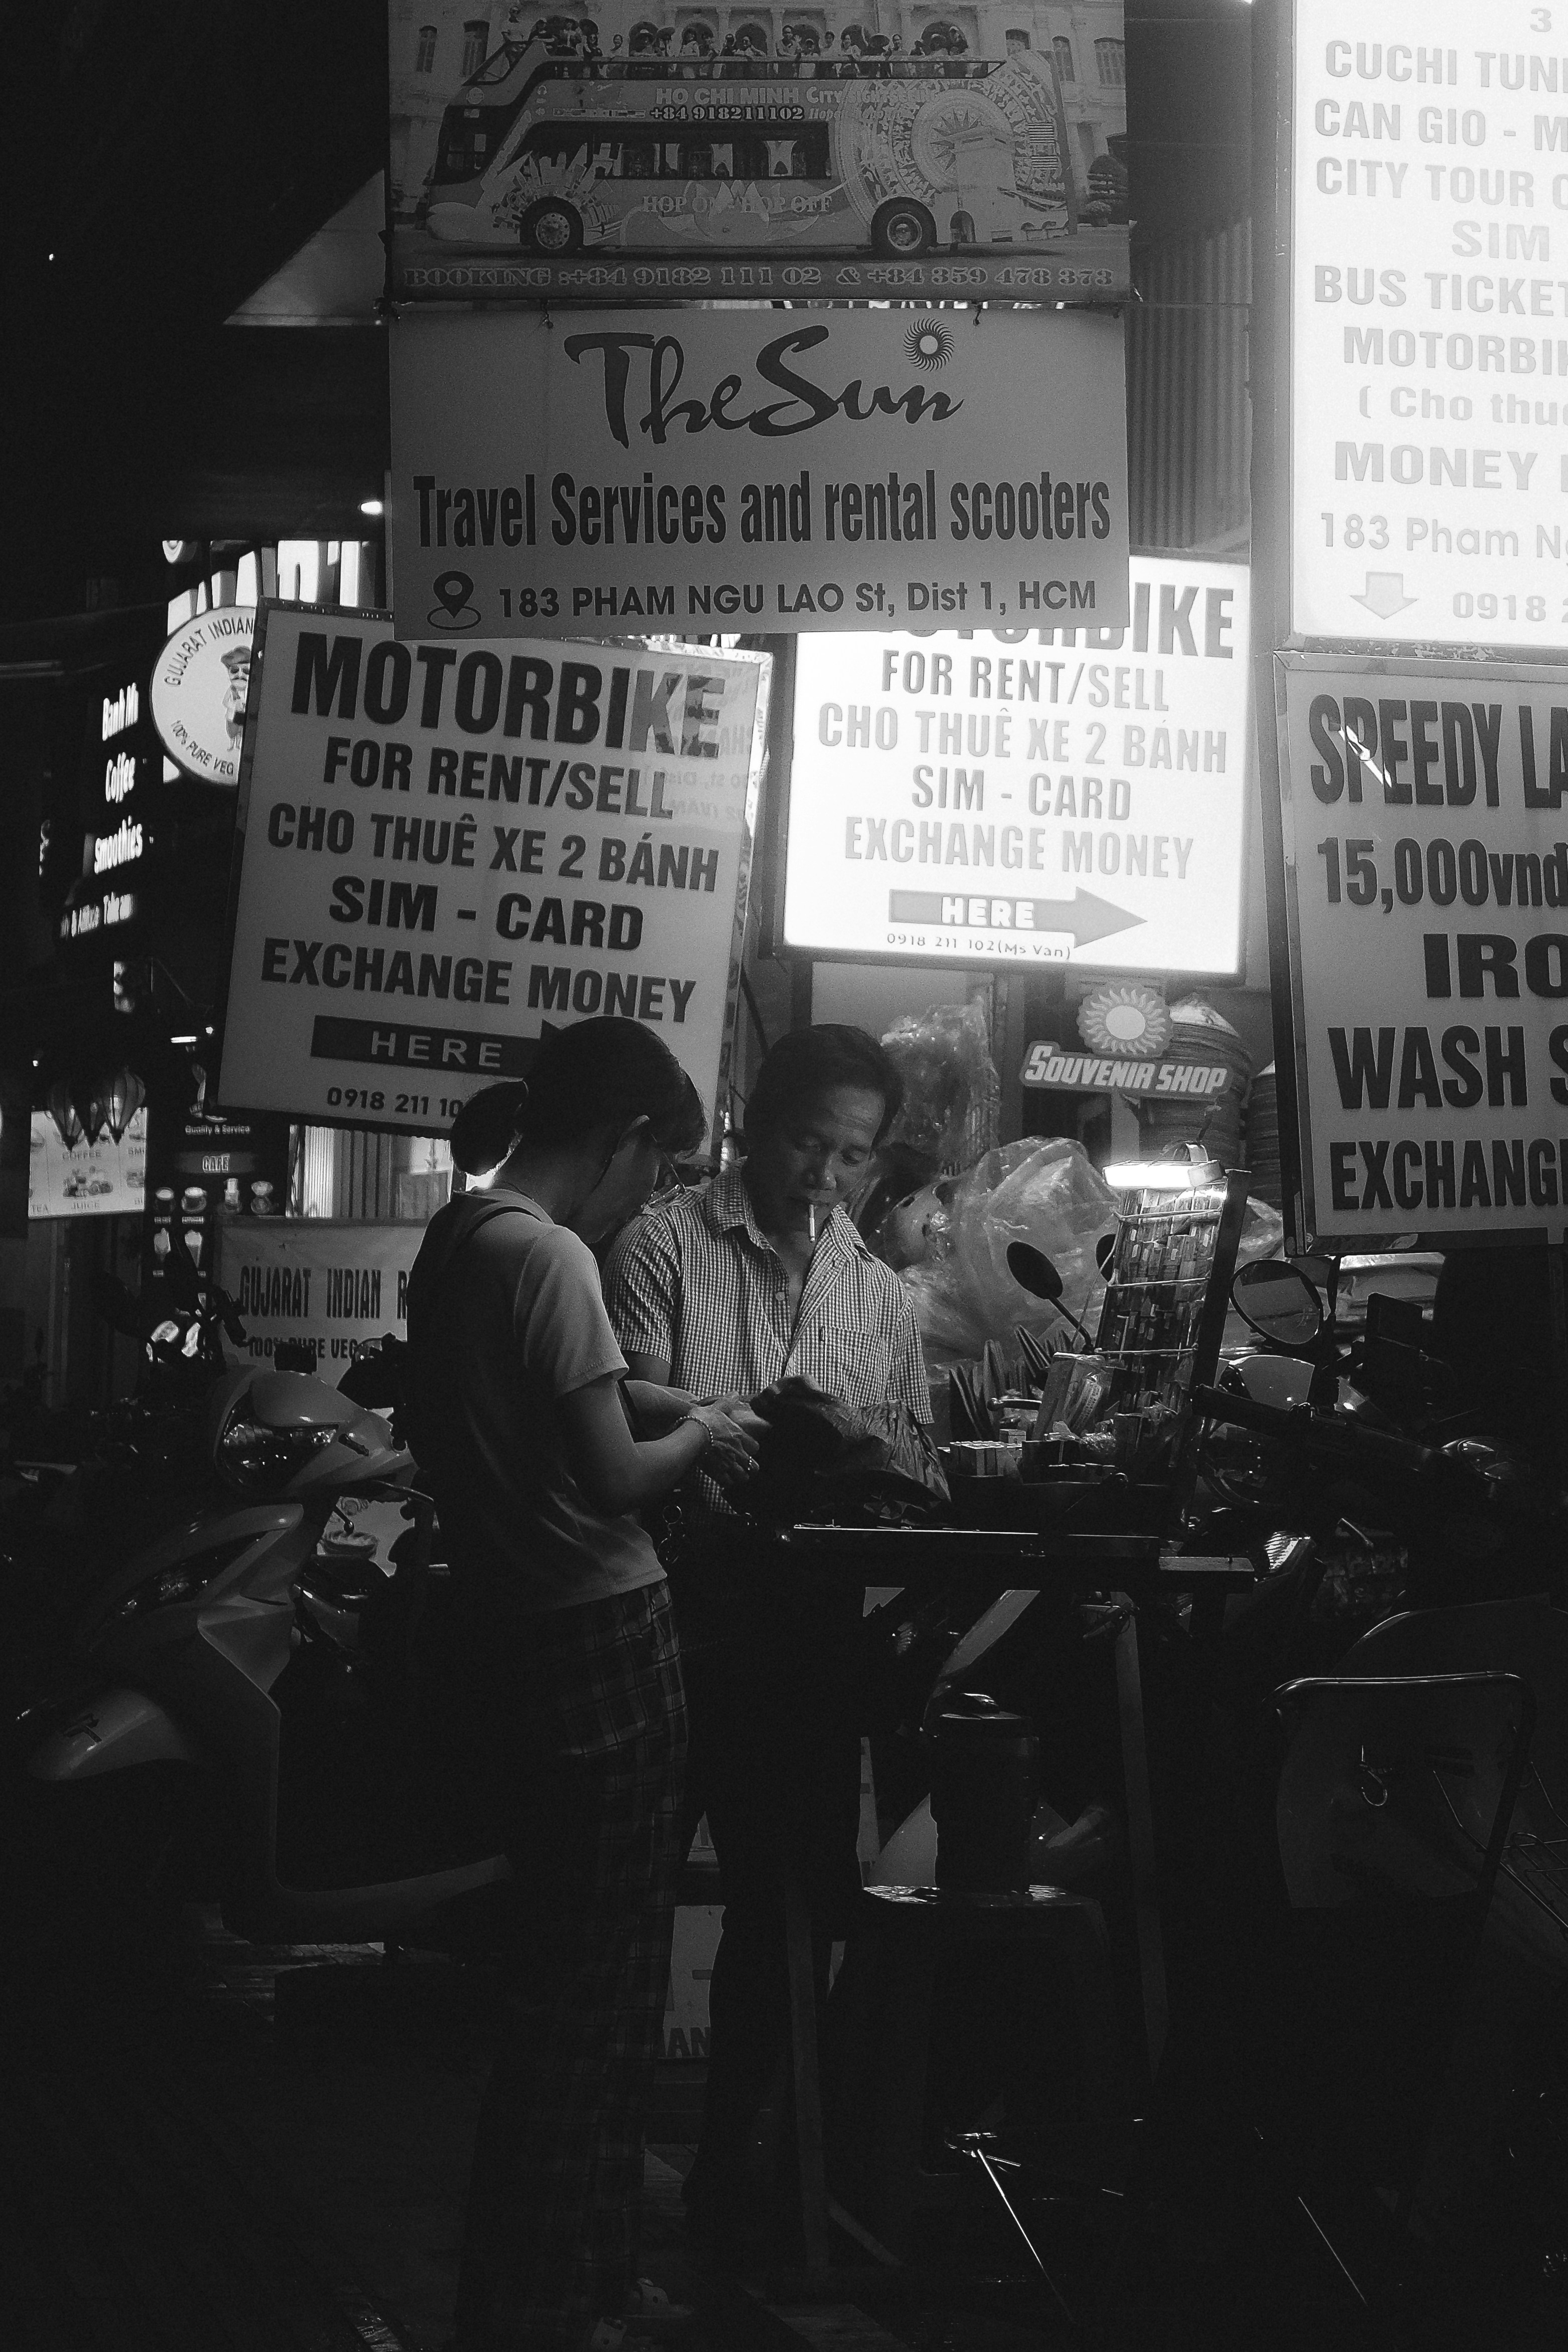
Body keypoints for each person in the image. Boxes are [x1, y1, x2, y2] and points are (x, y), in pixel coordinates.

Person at [404, 1021, 759, 2352]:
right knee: (595, 2002)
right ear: (625, 1139)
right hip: (602, 1634)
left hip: (517, 1635)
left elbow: (561, 1405)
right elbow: (612, 1475)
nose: (651, 1196)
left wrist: (674, 1404)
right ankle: (554, 2305)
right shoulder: (551, 1255)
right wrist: (707, 1429)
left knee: (562, 1983)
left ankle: (566, 2283)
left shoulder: (462, 1236)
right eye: (659, 1168)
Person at [603, 1025, 937, 2256]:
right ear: (756, 1125)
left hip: (806, 1636)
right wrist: (733, 1425)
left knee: (782, 1904)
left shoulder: (882, 1297)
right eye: (807, 1143)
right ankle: (593, 2163)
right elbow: (627, 1414)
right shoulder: (660, 1245)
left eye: (853, 1155)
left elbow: (916, 1472)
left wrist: (863, 1451)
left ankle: (731, 2167)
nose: (825, 1176)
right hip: (669, 1612)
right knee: (624, 1896)